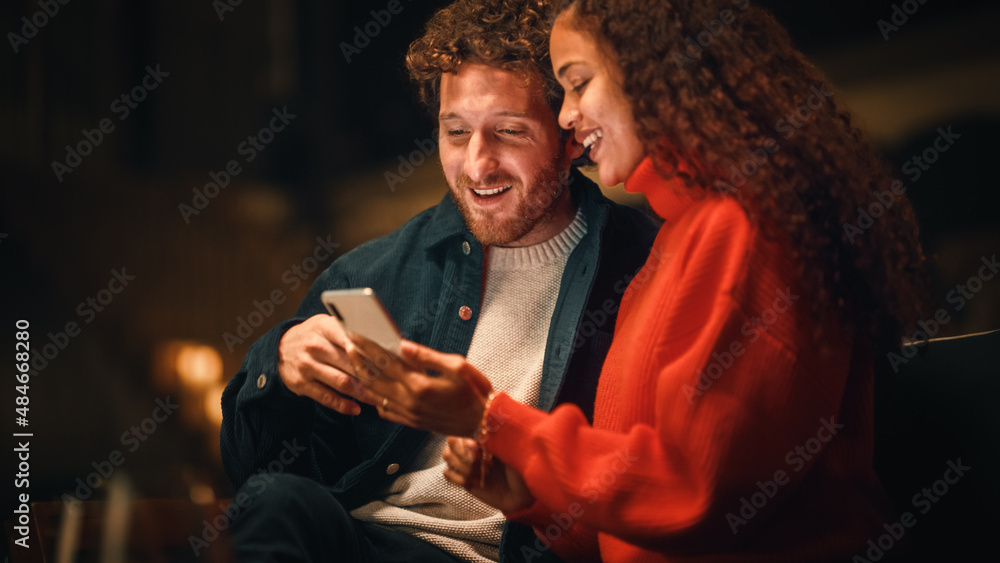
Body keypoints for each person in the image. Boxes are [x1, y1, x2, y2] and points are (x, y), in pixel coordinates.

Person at [346, 0, 929, 561]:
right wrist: (533, 505)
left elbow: (697, 497)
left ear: (655, 76)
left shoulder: (749, 229)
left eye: (577, 83)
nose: (568, 116)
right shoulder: (673, 242)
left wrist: (489, 417)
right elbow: (640, 520)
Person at [218, 0, 658, 561]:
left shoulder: (640, 265)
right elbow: (248, 476)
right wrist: (277, 366)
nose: (478, 164)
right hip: (364, 538)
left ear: (570, 135)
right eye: (456, 133)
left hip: (508, 552)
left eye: (509, 132)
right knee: (276, 501)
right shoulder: (374, 273)